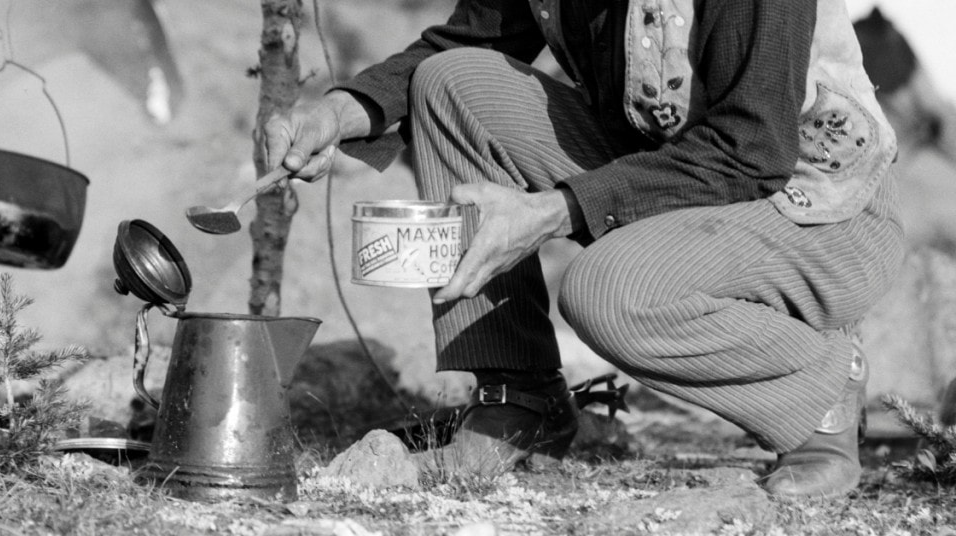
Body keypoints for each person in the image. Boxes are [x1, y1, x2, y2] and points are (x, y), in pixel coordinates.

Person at [260, 0, 904, 498]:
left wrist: (551, 211)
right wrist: (340, 112)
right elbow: (470, 38)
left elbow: (751, 148)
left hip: (816, 210)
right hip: (681, 175)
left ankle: (820, 389)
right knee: (449, 81)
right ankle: (518, 403)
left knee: (608, 292)